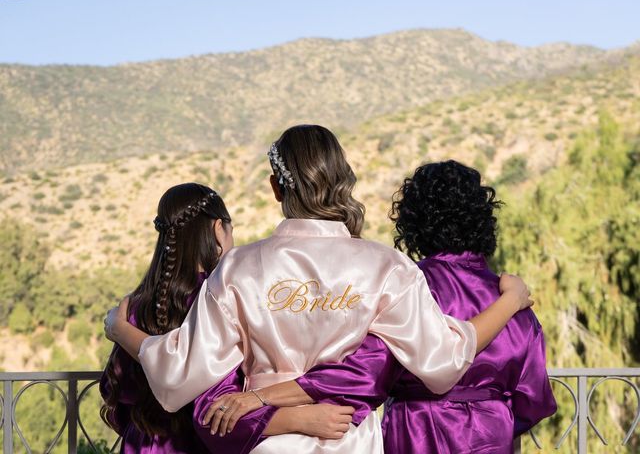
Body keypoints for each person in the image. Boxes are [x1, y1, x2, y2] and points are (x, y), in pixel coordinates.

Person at [104, 126, 532, 454]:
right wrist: (510, 300)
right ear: (343, 181)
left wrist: (122, 331)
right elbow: (444, 363)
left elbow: (179, 374)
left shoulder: (238, 267)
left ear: (276, 187)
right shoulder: (387, 267)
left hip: (269, 440)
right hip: (351, 439)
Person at [257, 160, 556, 453]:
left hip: (416, 430)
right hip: (490, 434)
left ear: (413, 220)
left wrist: (264, 398)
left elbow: (367, 369)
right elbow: (532, 398)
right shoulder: (514, 300)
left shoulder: (402, 286)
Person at [100, 182, 355, 453]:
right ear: (218, 229)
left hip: (141, 443)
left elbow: (113, 386)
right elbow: (220, 405)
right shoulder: (217, 299)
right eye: (230, 229)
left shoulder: (136, 305)